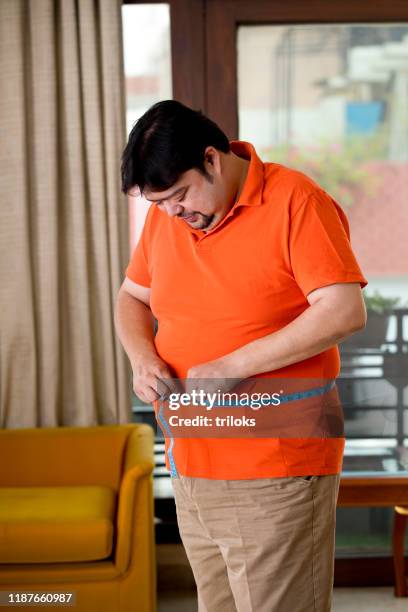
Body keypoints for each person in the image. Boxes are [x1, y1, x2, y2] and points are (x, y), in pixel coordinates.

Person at [115, 100, 368, 612]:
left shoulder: (297, 200)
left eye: (178, 195)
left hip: (277, 467)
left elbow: (343, 310)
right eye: (157, 203)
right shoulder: (168, 220)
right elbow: (131, 297)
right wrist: (143, 358)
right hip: (192, 462)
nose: (170, 213)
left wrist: (233, 365)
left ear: (213, 159)